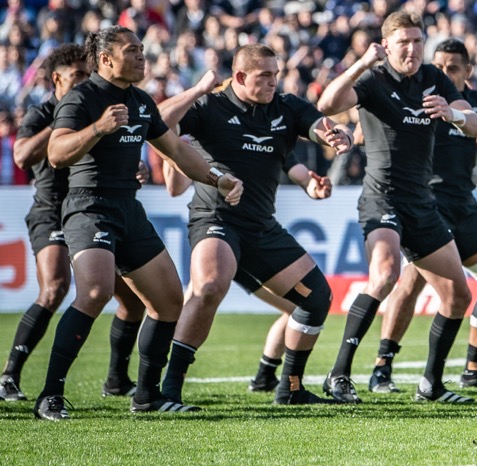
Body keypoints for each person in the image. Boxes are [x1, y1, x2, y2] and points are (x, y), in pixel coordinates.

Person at [33, 26, 244, 420]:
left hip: (128, 210)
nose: (141, 57)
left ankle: (147, 396)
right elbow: (57, 153)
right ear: (105, 59)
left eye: (142, 50)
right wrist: (98, 128)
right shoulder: (81, 97)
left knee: (169, 301)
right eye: (132, 50)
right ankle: (50, 395)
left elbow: (175, 149)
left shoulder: (142, 101)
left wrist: (218, 178)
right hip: (89, 207)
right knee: (94, 292)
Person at [154, 45, 353, 406]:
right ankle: (170, 389)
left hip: (261, 227)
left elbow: (320, 125)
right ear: (241, 77)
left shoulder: (287, 108)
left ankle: (290, 388)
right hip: (216, 218)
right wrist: (197, 90)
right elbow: (156, 124)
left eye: (276, 74)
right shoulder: (210, 106)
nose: (274, 82)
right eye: (265, 76)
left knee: (316, 297)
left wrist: (338, 135)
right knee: (210, 286)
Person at [316, 11, 477, 405]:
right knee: (386, 274)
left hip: (422, 203)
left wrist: (454, 114)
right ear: (386, 46)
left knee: (459, 295)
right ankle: (339, 374)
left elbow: (475, 125)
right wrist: (362, 63)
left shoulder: (434, 78)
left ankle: (431, 384)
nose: (412, 49)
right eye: (403, 42)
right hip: (382, 198)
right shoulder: (373, 79)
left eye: (417, 41)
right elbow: (327, 103)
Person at [365, 38, 477, 393]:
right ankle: (382, 366)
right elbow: (371, 129)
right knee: (412, 282)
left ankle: (474, 368)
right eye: (440, 67)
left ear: (468, 71)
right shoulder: (416, 97)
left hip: (463, 202)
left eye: (453, 68)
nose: (445, 74)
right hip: (426, 202)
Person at [1, 44, 145, 402]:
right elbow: (21, 156)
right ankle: (9, 376)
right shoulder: (43, 113)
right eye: (77, 75)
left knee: (133, 300)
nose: (84, 82)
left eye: (87, 75)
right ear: (57, 79)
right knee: (55, 288)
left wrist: (134, 168)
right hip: (51, 210)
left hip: (93, 210)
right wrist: (63, 124)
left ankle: (116, 379)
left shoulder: (99, 109)